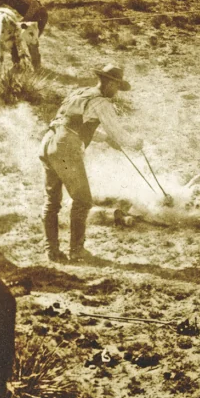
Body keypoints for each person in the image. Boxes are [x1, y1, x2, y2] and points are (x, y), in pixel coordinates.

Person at [39, 64, 142, 263]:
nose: (117, 92)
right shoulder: (102, 102)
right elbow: (117, 131)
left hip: (47, 143)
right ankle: (77, 251)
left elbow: (70, 124)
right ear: (110, 83)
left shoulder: (80, 93)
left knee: (51, 201)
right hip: (65, 148)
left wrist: (105, 139)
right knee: (83, 201)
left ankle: (52, 252)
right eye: (117, 87)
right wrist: (134, 143)